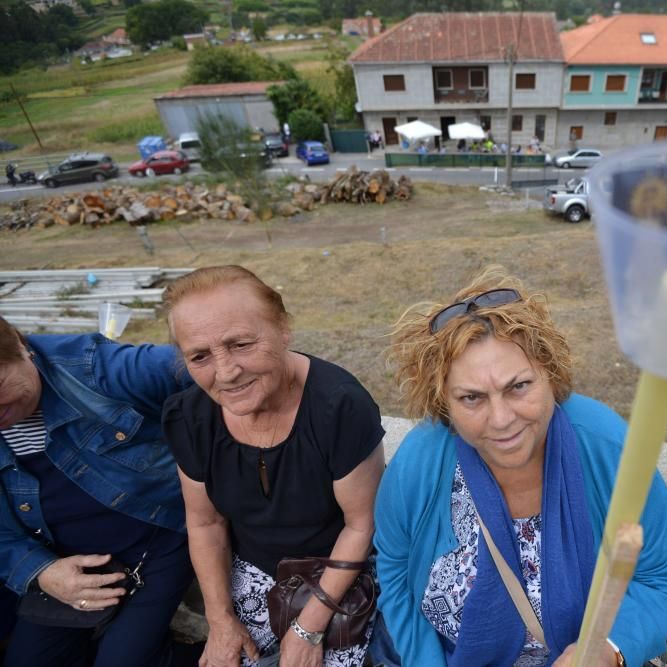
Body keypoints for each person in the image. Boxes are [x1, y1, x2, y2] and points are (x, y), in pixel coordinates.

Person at [377, 266, 667, 667]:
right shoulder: (419, 463)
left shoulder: (607, 447)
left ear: (550, 372)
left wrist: (610, 649)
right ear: (445, 404)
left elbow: (662, 576)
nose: (502, 418)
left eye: (518, 386)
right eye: (472, 398)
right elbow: (396, 575)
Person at [161, 265, 386, 667]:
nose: (226, 373)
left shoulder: (339, 407)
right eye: (200, 356)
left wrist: (308, 627)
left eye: (241, 344)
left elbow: (361, 525)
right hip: (251, 579)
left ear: (284, 329)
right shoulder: (189, 418)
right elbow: (205, 524)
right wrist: (220, 620)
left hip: (336, 577)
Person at [0, 315, 193, 667]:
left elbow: (209, 363)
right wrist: (40, 571)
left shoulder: (93, 366)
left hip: (157, 542)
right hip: (59, 559)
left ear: (21, 346)